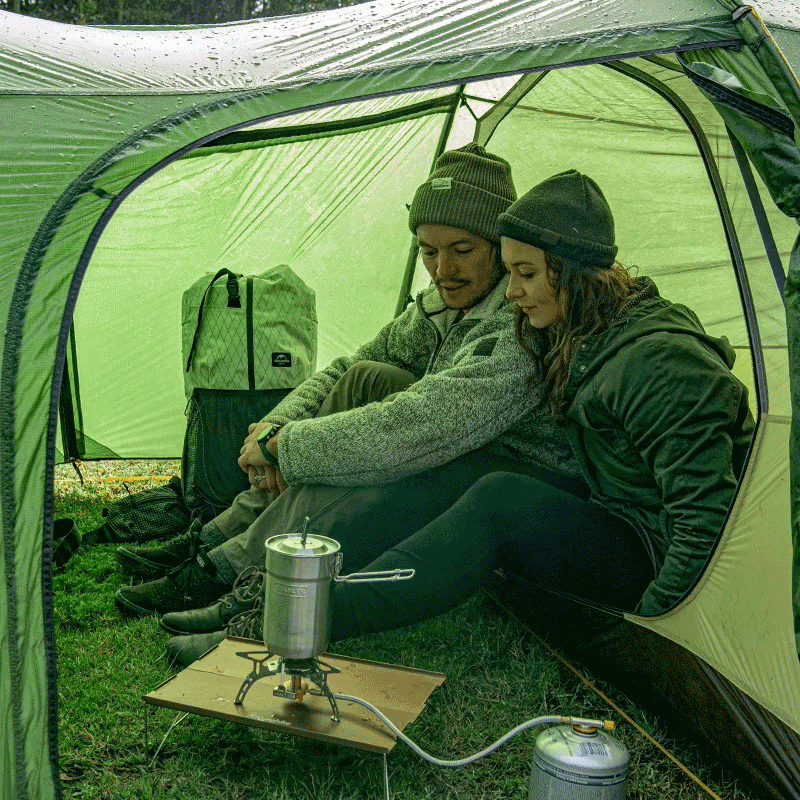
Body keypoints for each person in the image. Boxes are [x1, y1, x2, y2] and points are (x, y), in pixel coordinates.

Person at [114, 145, 583, 634]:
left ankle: (234, 568)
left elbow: (422, 425)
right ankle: (219, 537)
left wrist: (286, 447)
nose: (443, 270)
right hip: (453, 451)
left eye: (462, 250)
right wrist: (279, 423)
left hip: (501, 472)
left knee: (375, 454)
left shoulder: (521, 319)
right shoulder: (441, 306)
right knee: (365, 379)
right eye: (428, 252)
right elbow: (349, 365)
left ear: (500, 248)